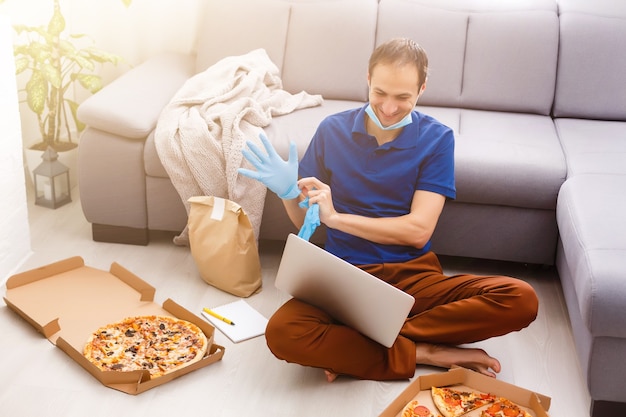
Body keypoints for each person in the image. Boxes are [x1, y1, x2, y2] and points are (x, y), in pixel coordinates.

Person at [238, 38, 538, 382]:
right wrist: (288, 193)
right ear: (367, 78)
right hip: (342, 279)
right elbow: (307, 222)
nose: (389, 108)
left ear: (422, 89)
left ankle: (361, 346)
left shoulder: (437, 139)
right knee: (283, 332)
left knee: (521, 299)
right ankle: (425, 351)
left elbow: (418, 230)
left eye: (403, 97)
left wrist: (337, 218)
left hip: (412, 278)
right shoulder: (331, 131)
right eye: (380, 92)